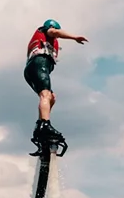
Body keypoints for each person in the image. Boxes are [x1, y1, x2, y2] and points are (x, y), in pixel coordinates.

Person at [23, 19, 87, 149]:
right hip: (38, 64)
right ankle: (45, 124)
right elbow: (54, 31)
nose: (56, 36)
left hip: (33, 69)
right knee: (45, 95)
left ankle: (40, 125)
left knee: (51, 97)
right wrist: (75, 37)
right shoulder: (46, 30)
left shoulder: (47, 42)